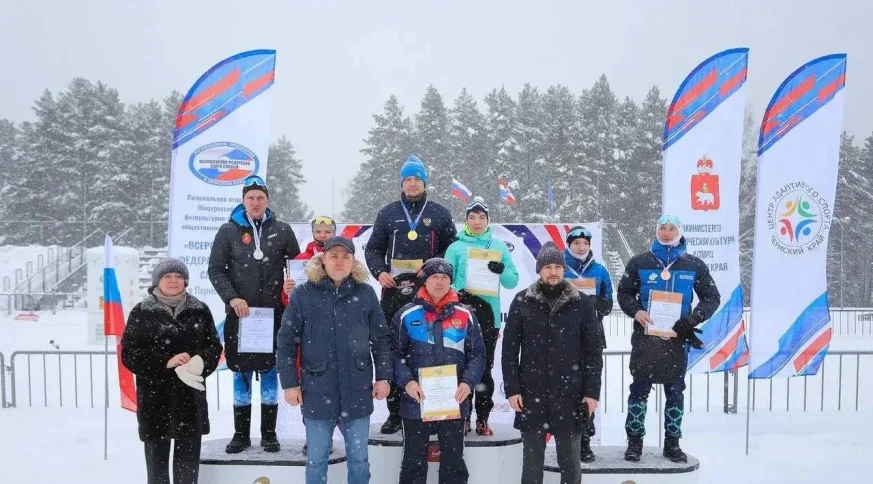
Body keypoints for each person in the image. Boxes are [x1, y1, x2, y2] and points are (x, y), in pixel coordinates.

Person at [277, 236, 393, 484]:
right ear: (323, 260)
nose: (339, 262)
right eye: (333, 256)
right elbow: (286, 343)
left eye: (345, 256)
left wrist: (384, 377)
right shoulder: (303, 294)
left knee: (359, 460)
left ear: (353, 261)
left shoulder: (366, 293)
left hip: (357, 388)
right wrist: (289, 383)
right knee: (316, 460)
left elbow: (381, 340)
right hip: (317, 389)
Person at [207, 175, 301, 454]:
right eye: (251, 198)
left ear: (268, 200)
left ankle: (269, 433)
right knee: (241, 374)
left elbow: (297, 267)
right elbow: (215, 269)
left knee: (270, 373)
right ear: (243, 200)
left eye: (260, 197)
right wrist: (232, 297)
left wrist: (291, 285)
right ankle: (240, 434)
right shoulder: (228, 231)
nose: (256, 202)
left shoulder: (282, 230)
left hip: (274, 315)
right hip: (241, 316)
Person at [365, 154, 457, 434]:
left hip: (428, 293)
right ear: (401, 183)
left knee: (429, 349)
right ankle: (395, 413)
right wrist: (380, 271)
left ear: (425, 183)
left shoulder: (439, 213)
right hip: (394, 292)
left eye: (418, 179)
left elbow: (451, 249)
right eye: (408, 179)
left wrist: (431, 268)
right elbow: (373, 249)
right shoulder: (388, 213)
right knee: (394, 349)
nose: (413, 184)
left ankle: (433, 408)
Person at [617, 214, 720, 463]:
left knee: (675, 392)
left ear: (680, 232)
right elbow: (624, 293)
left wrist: (693, 319)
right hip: (645, 337)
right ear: (656, 231)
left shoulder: (694, 265)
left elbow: (712, 297)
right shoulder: (639, 262)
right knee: (639, 390)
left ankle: (672, 442)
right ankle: (634, 442)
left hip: (677, 338)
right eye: (662, 228)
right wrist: (636, 310)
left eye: (672, 228)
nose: (666, 232)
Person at [502, 242, 604, 484]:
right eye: (547, 267)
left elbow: (593, 353)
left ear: (564, 269)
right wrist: (513, 389)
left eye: (558, 267)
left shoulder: (582, 303)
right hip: (531, 393)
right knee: (532, 464)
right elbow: (509, 351)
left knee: (570, 463)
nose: (553, 272)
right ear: (539, 270)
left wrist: (591, 393)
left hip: (570, 394)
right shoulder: (522, 301)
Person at [121, 258, 223, 484]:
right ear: (157, 281)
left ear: (185, 281)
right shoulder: (141, 312)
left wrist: (200, 362)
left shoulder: (199, 310)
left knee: (187, 470)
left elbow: (214, 347)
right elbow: (129, 353)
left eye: (178, 276)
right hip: (155, 400)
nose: (173, 281)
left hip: (190, 400)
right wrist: (165, 362)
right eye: (167, 276)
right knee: (157, 471)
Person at [392, 258, 485, 484]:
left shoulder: (465, 315)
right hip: (416, 401)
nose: (440, 282)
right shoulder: (406, 314)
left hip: (453, 401)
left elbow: (478, 354)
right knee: (413, 463)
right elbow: (393, 354)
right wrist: (407, 382)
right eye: (434, 277)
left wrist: (467, 382)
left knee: (453, 462)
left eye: (444, 278)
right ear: (425, 280)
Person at [443, 196, 518, 436]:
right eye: (472, 217)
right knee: (459, 367)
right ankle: (463, 416)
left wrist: (501, 270)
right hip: (459, 315)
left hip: (489, 318)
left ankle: (483, 418)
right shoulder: (456, 247)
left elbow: (512, 281)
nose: (477, 222)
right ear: (466, 219)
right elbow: (444, 280)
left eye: (481, 217)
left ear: (488, 220)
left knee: (484, 369)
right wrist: (457, 291)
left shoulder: (498, 247)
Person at [561, 225, 612, 461]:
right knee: (565, 388)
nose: (581, 247)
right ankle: (566, 438)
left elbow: (608, 303)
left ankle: (584, 440)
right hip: (564, 337)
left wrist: (594, 302)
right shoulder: (559, 268)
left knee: (588, 388)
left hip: (592, 336)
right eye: (576, 243)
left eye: (585, 243)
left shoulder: (600, 270)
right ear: (568, 245)